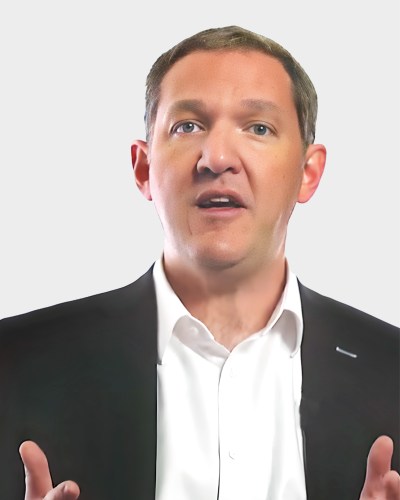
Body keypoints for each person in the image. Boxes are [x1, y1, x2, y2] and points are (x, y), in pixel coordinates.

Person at [0, 26, 398, 500]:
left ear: (308, 174)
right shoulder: (15, 364)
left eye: (258, 128)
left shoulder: (391, 371)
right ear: (143, 169)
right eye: (188, 126)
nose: (218, 158)